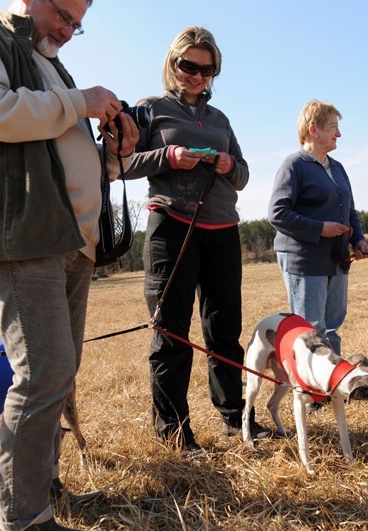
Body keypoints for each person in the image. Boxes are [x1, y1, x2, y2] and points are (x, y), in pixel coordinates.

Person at [0, 1, 138, 529]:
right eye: (63, 15)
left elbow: (66, 154)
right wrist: (80, 100)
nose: (69, 32)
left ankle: (44, 491)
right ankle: (25, 517)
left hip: (73, 241)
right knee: (42, 373)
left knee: (59, 375)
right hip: (27, 236)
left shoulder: (49, 63)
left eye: (78, 23)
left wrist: (114, 153)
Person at [125, 26, 268, 454]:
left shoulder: (220, 119)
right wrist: (168, 157)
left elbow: (243, 176)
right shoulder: (148, 110)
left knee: (224, 331)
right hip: (172, 227)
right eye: (189, 66)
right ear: (173, 63)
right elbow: (120, 163)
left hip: (222, 229)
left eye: (207, 70)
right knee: (171, 332)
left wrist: (227, 164)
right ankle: (175, 434)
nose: (197, 76)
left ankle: (235, 418)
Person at [268, 100, 368, 357]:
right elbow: (277, 213)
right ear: (314, 130)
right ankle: (312, 393)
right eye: (333, 127)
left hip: (336, 258)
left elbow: (350, 212)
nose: (339, 133)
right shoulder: (294, 165)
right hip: (305, 259)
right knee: (311, 329)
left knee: (333, 324)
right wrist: (320, 229)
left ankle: (331, 386)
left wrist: (358, 239)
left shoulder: (337, 168)